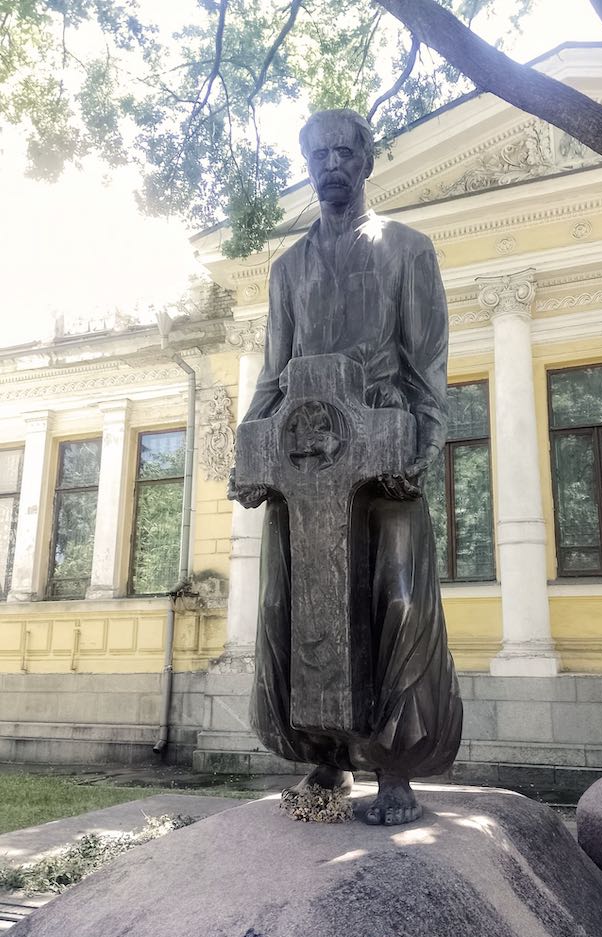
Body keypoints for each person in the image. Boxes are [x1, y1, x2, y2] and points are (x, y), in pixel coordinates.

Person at [232, 109, 462, 826]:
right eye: (317, 152)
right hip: (302, 467)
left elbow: (427, 371)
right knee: (288, 608)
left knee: (397, 600)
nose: (331, 161)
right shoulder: (288, 267)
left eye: (344, 149)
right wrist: (249, 453)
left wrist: (419, 455)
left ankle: (395, 767)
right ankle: (323, 756)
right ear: (306, 163)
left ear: (366, 159)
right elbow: (271, 376)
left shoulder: (407, 249)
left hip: (384, 459)